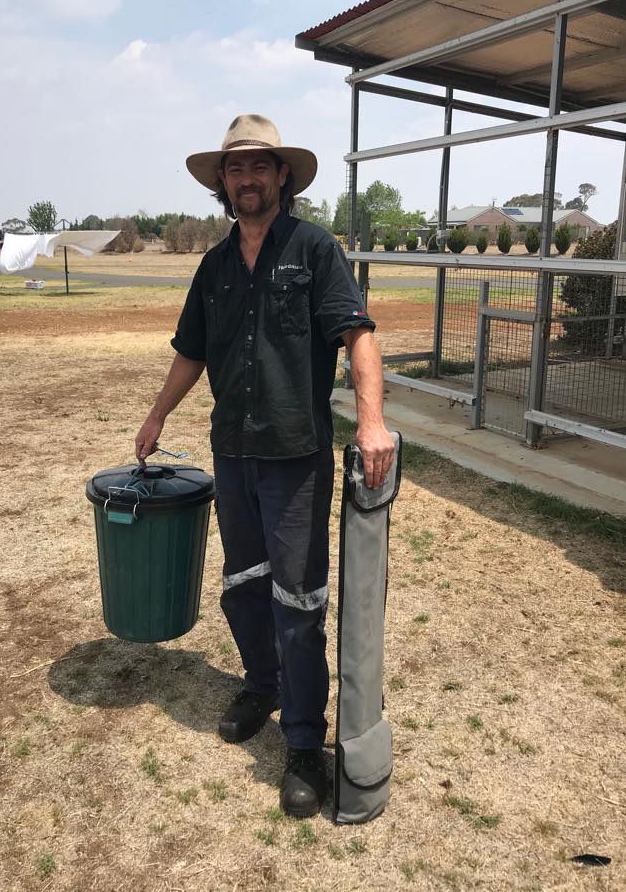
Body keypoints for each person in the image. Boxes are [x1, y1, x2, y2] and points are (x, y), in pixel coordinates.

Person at [135, 114, 395, 818]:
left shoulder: (314, 250)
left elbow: (357, 335)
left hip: (294, 458)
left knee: (300, 600)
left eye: (258, 166)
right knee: (244, 583)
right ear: (222, 183)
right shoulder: (215, 266)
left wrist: (371, 420)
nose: (245, 179)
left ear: (283, 176)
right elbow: (191, 349)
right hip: (232, 450)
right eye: (234, 168)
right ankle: (261, 683)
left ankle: (305, 742)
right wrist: (157, 415)